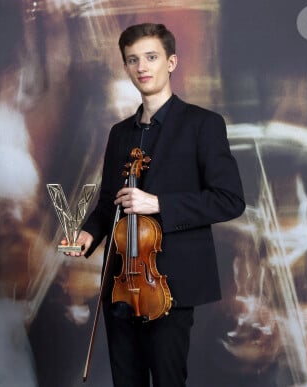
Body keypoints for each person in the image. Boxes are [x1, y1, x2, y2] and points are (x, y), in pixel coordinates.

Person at [65, 23, 246, 386]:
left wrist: (158, 203)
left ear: (171, 62)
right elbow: (109, 202)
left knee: (167, 379)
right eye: (132, 60)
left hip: (170, 282)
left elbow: (230, 200)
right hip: (120, 281)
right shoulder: (121, 133)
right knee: (125, 380)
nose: (141, 67)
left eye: (151, 57)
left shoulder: (203, 124)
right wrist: (88, 233)